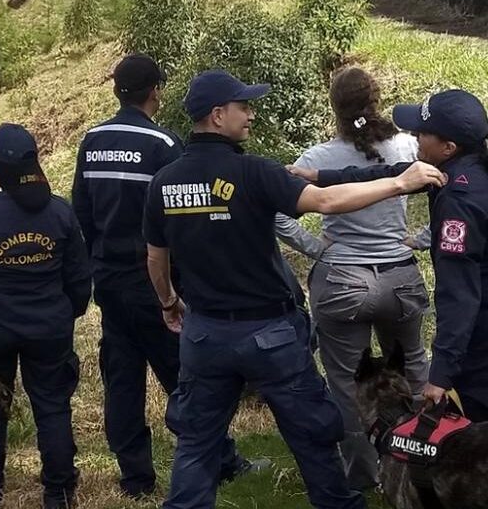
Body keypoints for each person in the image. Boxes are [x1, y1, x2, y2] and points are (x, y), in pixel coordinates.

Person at [142, 70, 444, 509]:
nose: (251, 114)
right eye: (243, 107)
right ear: (217, 114)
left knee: (197, 440)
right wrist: (400, 183)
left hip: (204, 334)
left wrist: (169, 302)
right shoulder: (253, 171)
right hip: (270, 334)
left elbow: (155, 258)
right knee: (311, 434)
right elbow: (324, 201)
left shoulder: (164, 183)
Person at [70, 54, 259, 499]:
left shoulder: (92, 140)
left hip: (110, 283)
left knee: (121, 378)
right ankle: (221, 460)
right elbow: (181, 217)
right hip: (155, 284)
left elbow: (82, 211)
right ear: (156, 91)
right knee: (186, 377)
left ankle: (135, 478)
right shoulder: (163, 145)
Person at [273, 67, 430, 490]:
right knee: (414, 368)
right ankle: (424, 463)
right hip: (399, 275)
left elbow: (279, 216)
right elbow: (447, 188)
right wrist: (427, 238)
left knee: (344, 383)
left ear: (334, 108)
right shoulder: (407, 145)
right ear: (376, 101)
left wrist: (318, 248)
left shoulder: (316, 159)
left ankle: (363, 477)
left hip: (342, 280)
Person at [295, 89, 488, 421]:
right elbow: (391, 174)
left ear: (448, 147)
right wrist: (321, 178)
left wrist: (440, 375)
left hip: (479, 343)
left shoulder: (459, 199)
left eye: (422, 132)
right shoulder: (464, 171)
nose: (414, 136)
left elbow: (460, 295)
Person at [0, 123, 93, 509]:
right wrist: (65, 315)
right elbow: (80, 280)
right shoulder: (61, 213)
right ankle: (59, 494)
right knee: (53, 408)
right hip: (48, 329)